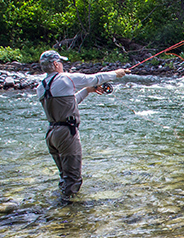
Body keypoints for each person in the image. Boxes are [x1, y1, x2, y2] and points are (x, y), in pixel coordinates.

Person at [36, 50, 128, 201]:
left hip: (51, 134)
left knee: (64, 176)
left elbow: (69, 103)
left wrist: (87, 91)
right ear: (55, 64)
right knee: (73, 178)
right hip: (66, 134)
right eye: (61, 62)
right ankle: (69, 214)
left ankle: (61, 206)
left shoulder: (41, 86)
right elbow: (95, 78)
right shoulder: (66, 79)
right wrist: (116, 73)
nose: (62, 65)